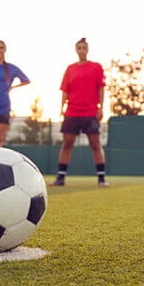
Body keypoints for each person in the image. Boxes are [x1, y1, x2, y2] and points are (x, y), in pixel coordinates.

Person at [51, 38, 109, 187]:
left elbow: (101, 88)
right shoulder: (70, 69)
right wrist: (62, 108)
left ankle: (101, 179)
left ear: (87, 50)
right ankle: (61, 178)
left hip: (90, 112)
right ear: (76, 50)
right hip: (72, 112)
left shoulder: (96, 67)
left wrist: (100, 107)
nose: (81, 50)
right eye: (79, 48)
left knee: (95, 144)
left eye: (84, 48)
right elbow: (65, 90)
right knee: (67, 144)